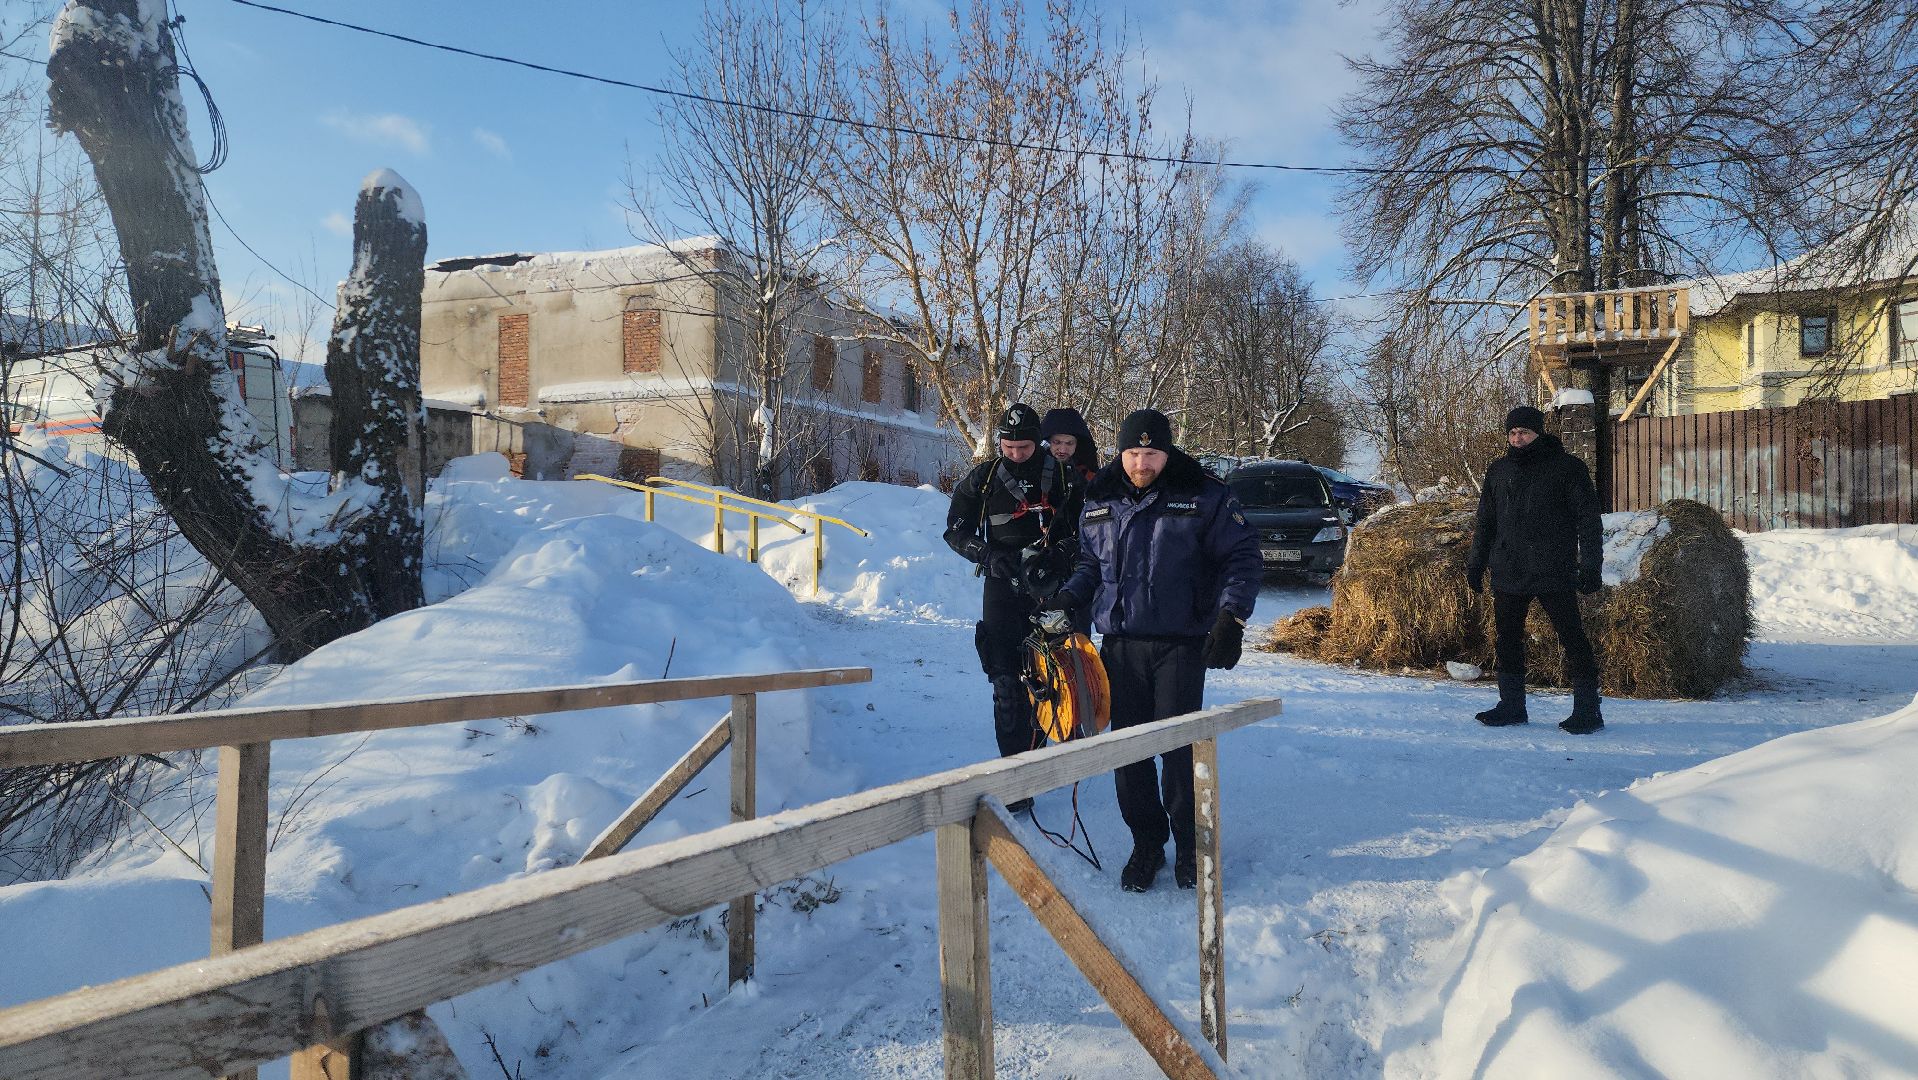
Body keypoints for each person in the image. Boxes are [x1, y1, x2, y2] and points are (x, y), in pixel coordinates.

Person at [1041, 408, 1262, 892]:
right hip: (1120, 647)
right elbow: (1090, 562)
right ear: (1121, 452)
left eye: (1152, 453)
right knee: (1128, 754)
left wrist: (1232, 617)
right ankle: (1147, 845)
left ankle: (1189, 847)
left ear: (1168, 452)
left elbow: (1243, 557)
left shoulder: (1203, 494)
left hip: (1181, 647)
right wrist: (1070, 596)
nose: (1142, 463)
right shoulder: (1099, 497)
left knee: (1177, 753)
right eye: (1133, 453)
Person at [943, 403, 1082, 791]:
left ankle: (1042, 760)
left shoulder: (1065, 478)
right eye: (1009, 446)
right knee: (1005, 682)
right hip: (1002, 585)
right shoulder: (983, 479)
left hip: (1050, 588)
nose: (1016, 453)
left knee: (1050, 676)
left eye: (1023, 447)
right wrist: (986, 554)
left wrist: (1060, 555)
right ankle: (1014, 777)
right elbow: (955, 531)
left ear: (1037, 441)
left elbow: (1090, 530)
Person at [1464, 405, 1605, 734]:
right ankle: (1512, 706)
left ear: (1539, 433)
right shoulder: (1499, 471)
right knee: (1507, 640)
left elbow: (1589, 521)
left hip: (1553, 569)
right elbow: (1486, 522)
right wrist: (1476, 563)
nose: (1518, 438)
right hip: (1509, 570)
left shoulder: (1567, 468)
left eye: (1524, 432)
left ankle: (1588, 710)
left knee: (1572, 638)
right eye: (1512, 433)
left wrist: (1590, 566)